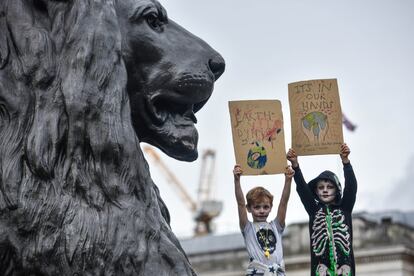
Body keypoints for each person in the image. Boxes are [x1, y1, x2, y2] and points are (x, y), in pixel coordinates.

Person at [286, 143, 357, 276]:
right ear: (316, 191)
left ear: (337, 191)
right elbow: (302, 189)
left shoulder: (345, 208)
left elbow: (351, 188)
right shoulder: (314, 210)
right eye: (321, 187)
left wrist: (346, 162)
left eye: (329, 187)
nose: (325, 190)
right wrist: (295, 165)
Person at [233, 164, 295, 276]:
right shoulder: (247, 227)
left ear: (271, 207)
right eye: (257, 207)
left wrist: (288, 180)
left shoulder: (276, 226)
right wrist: (237, 180)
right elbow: (240, 203)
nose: (261, 211)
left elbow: (284, 203)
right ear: (249, 208)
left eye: (265, 207)